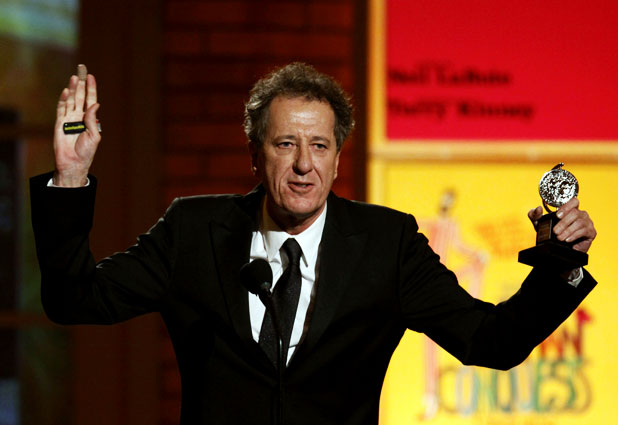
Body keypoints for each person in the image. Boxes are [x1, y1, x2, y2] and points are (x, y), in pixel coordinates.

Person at [30, 63, 597, 425]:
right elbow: (75, 298)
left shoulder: (387, 243)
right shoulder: (194, 232)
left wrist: (562, 266)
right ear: (255, 155)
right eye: (285, 144)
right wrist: (71, 178)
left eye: (320, 146)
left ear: (337, 158)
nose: (304, 165)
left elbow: (492, 341)